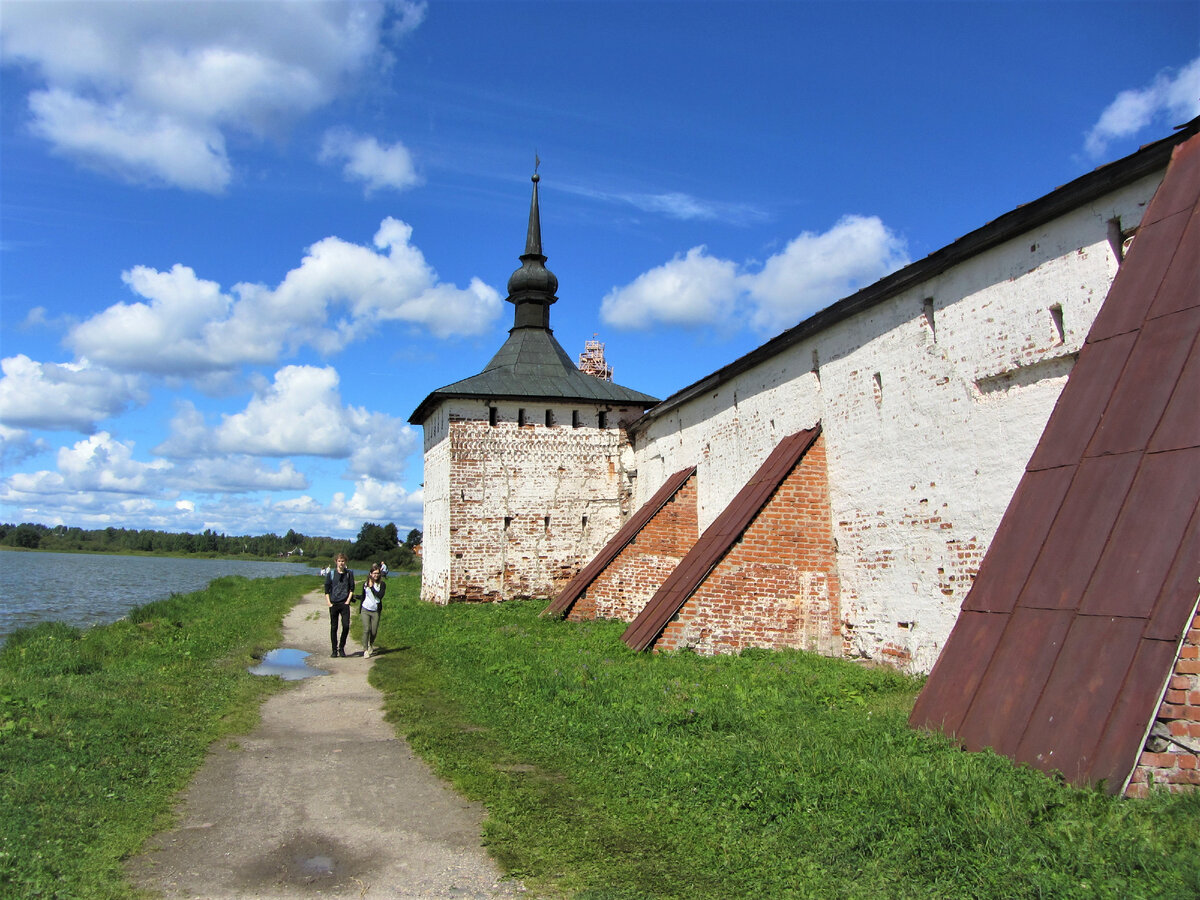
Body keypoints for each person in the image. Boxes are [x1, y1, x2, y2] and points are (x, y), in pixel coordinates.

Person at [324, 553, 354, 658]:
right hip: (334, 604)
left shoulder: (349, 574)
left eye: (343, 561)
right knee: (334, 627)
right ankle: (334, 650)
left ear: (345, 562)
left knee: (346, 626)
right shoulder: (331, 574)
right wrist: (329, 603)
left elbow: (352, 589)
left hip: (344, 604)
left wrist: (347, 601)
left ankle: (341, 648)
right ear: (336, 562)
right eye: (339, 561)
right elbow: (326, 590)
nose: (341, 563)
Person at [360, 562, 386, 658]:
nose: (376, 575)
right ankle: (365, 649)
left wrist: (371, 588)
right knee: (366, 629)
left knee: (373, 631)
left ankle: (371, 644)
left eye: (377, 573)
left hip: (375, 611)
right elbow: (364, 596)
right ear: (370, 574)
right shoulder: (365, 584)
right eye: (374, 573)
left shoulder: (382, 584)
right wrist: (354, 597)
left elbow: (380, 596)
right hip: (365, 609)